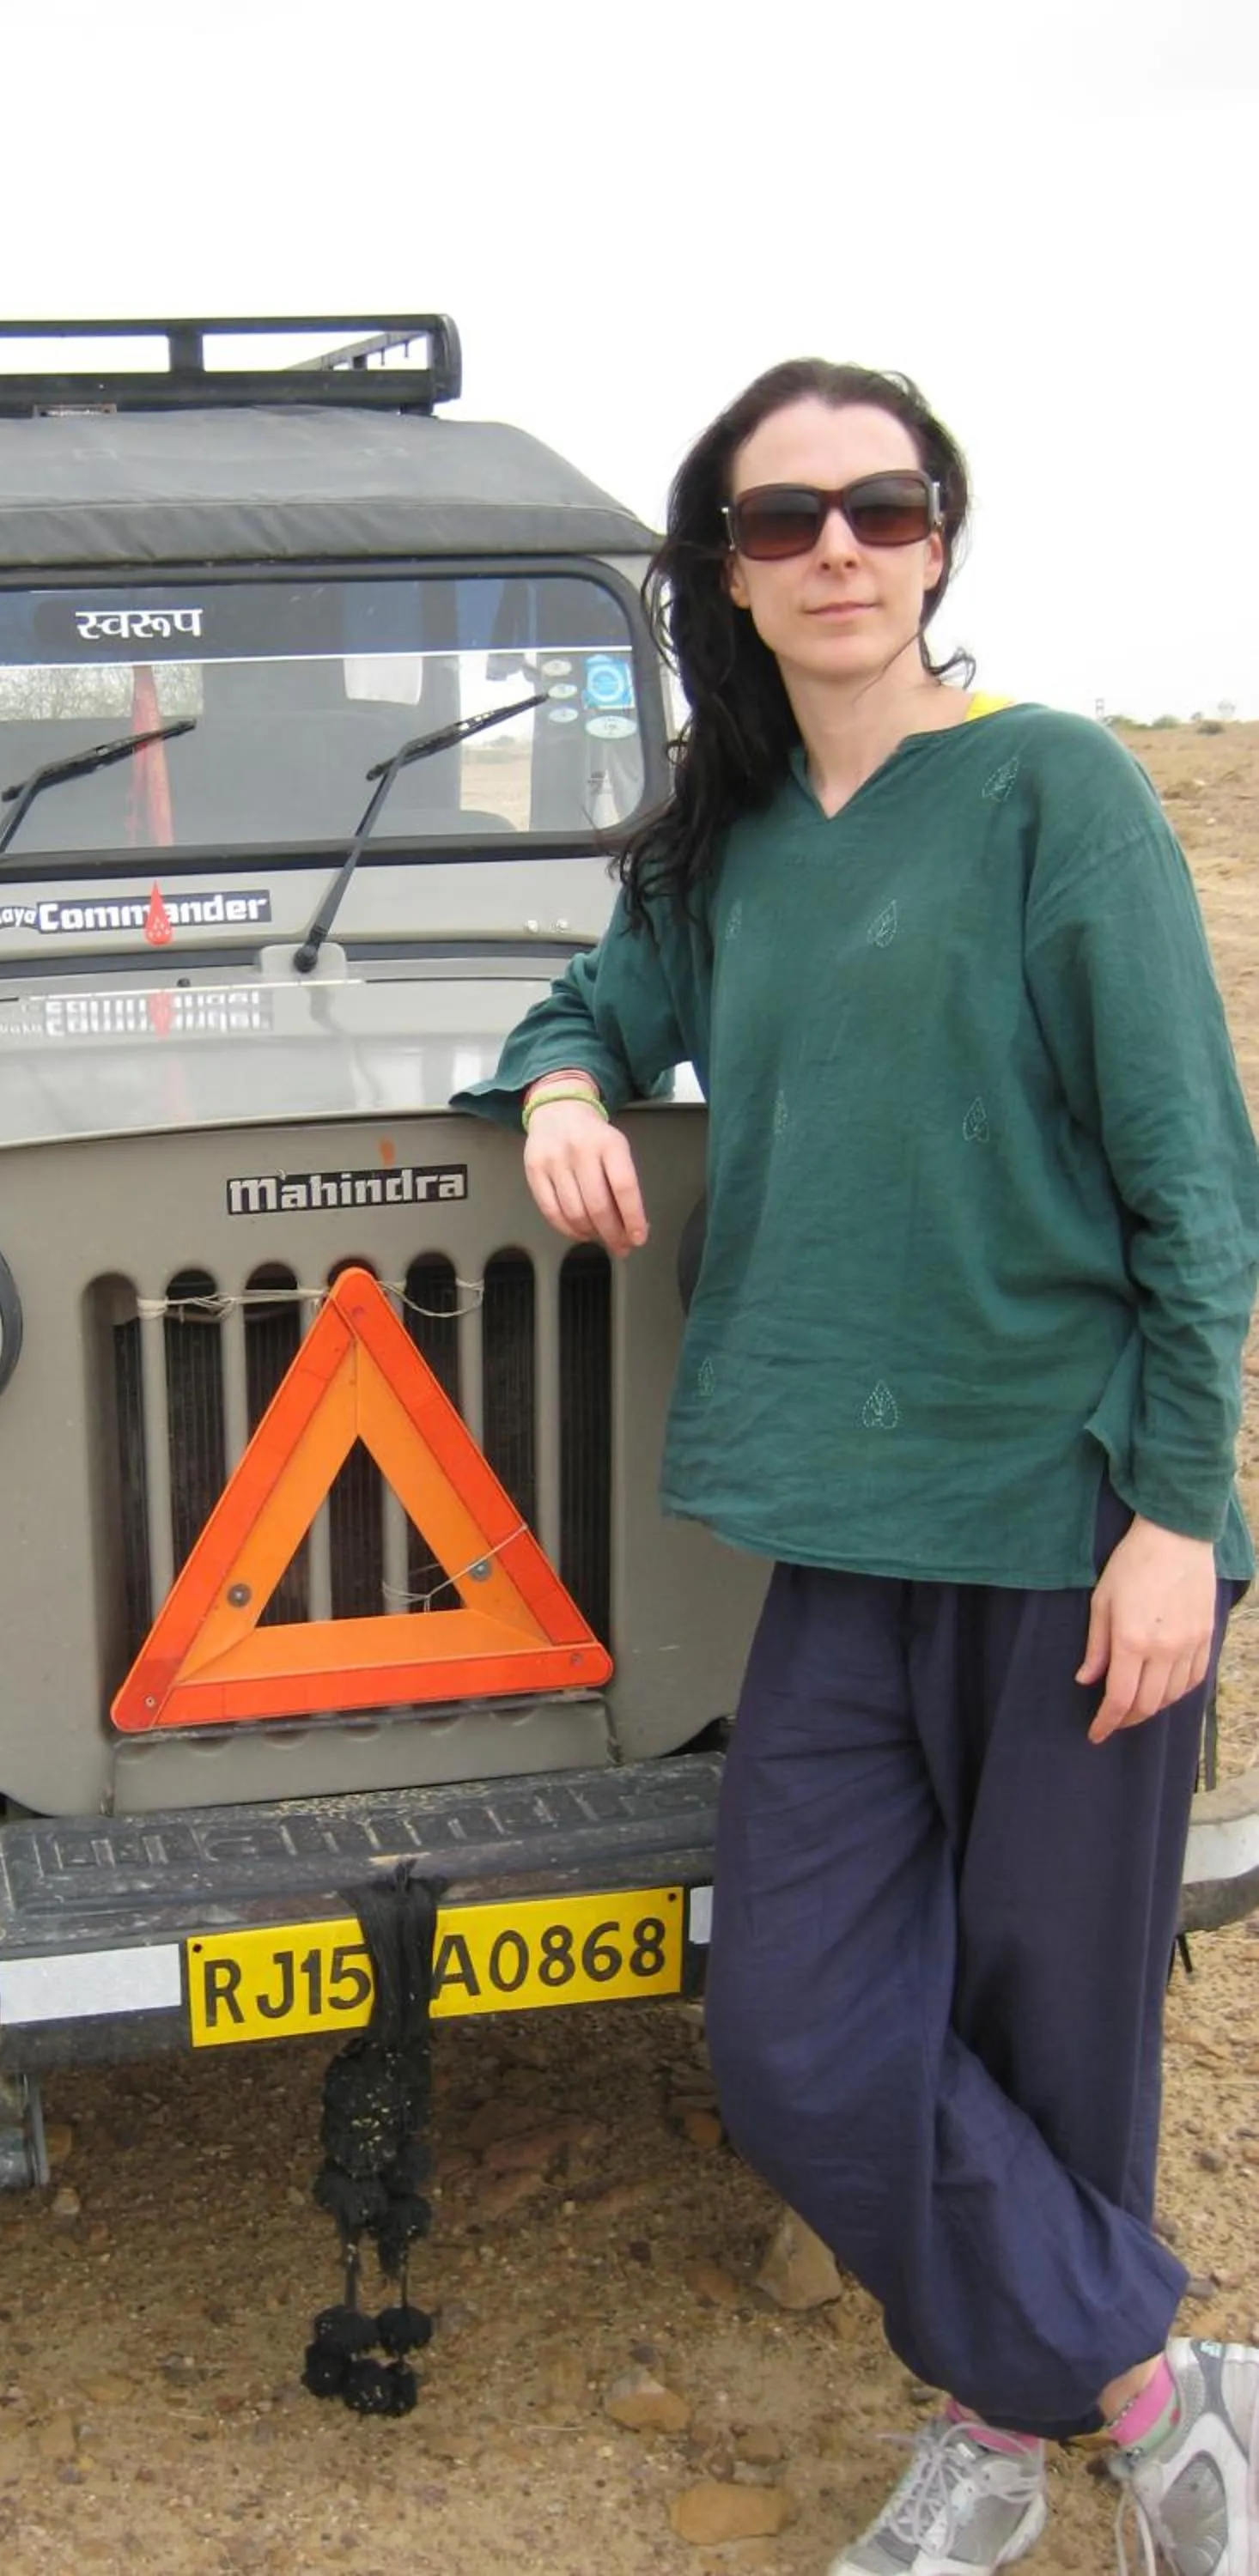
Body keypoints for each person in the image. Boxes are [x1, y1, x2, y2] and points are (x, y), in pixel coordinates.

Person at [452, 356, 1259, 2576]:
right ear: (726, 564)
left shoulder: (1050, 795)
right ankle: (1155, 2384)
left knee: (1053, 2026)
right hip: (842, 1532)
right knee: (800, 2031)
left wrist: (1181, 1517)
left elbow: (1200, 1179)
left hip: (1068, 1518)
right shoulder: (729, 849)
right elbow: (585, 1013)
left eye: (880, 511)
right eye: (784, 517)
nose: (837, 553)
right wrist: (554, 1099)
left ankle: (1003, 2449)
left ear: (939, 542)